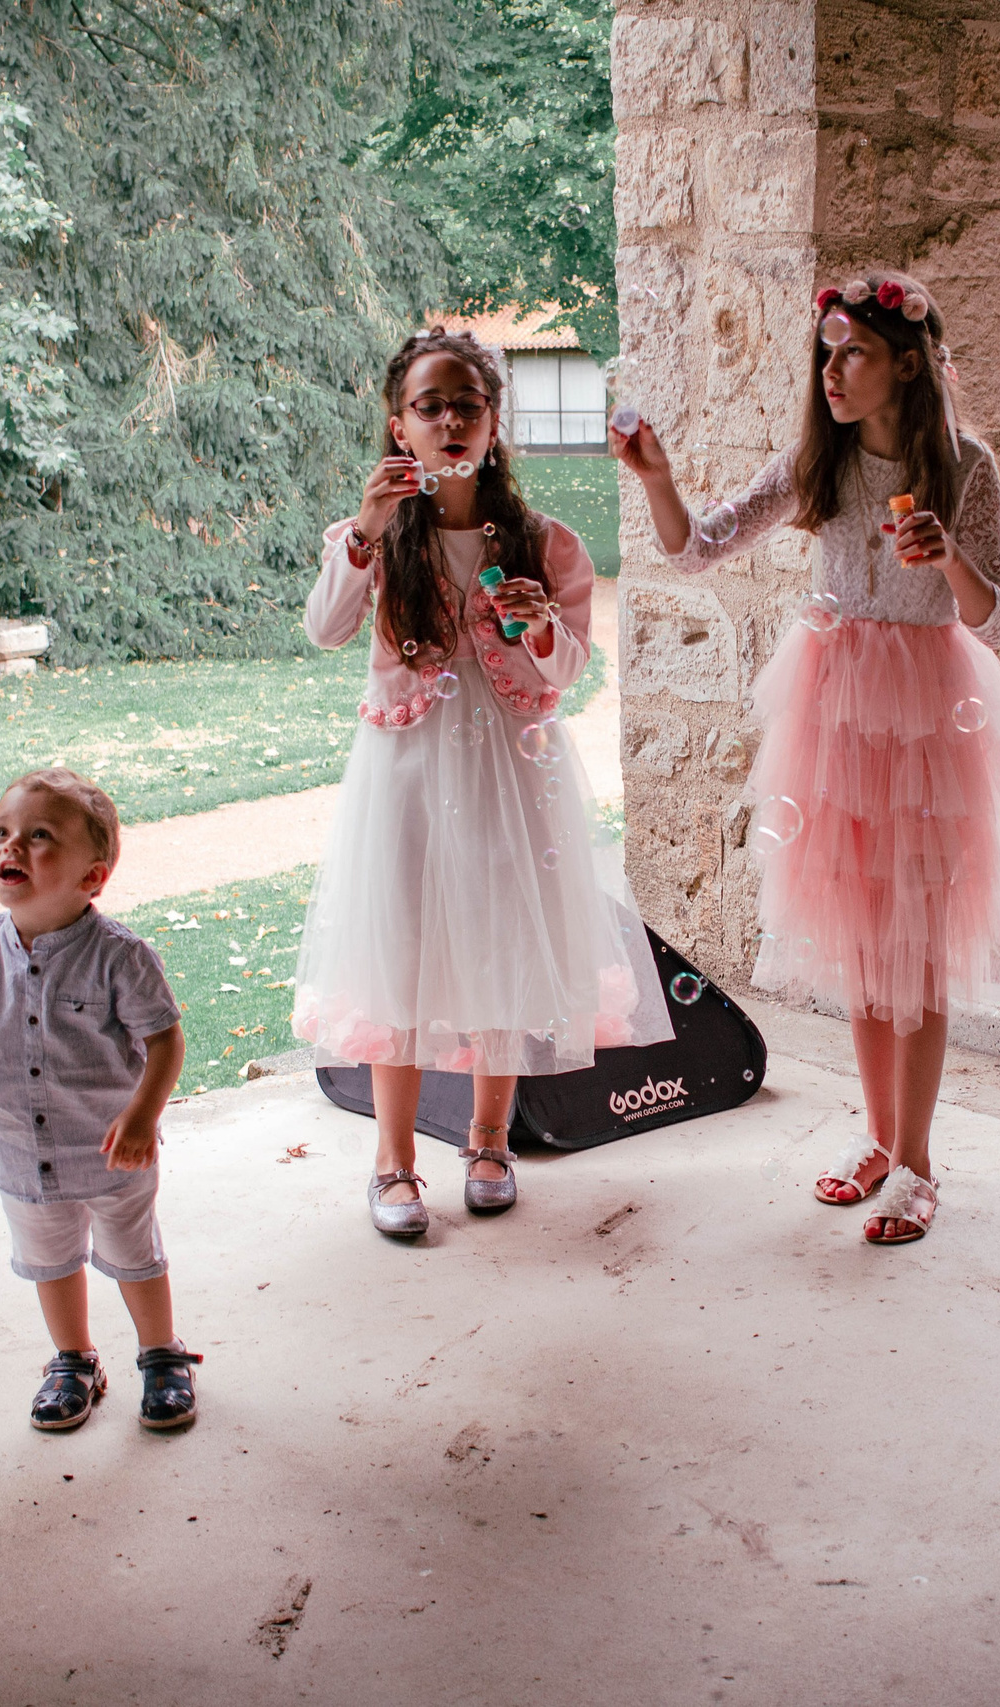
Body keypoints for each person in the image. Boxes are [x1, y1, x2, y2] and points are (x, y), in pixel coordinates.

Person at [611, 272, 1000, 1245]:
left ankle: (917, 1165)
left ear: (908, 365)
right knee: (863, 942)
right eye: (826, 355)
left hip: (925, 724)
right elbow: (696, 547)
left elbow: (993, 620)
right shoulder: (819, 465)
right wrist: (658, 479)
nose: (832, 372)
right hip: (835, 717)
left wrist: (945, 559)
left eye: (854, 355)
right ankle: (879, 1138)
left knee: (914, 951)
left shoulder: (967, 468)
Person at [293, 328, 671, 1237]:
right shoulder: (372, 537)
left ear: (495, 422)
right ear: (399, 427)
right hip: (409, 772)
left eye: (468, 403)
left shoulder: (545, 542)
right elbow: (324, 630)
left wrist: (541, 629)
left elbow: (562, 672)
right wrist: (366, 533)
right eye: (430, 406)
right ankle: (392, 1162)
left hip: (510, 769)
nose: (450, 418)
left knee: (504, 933)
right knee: (404, 947)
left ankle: (491, 1137)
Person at [0, 769, 198, 1430]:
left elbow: (165, 1042)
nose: (10, 847)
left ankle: (161, 1355)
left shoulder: (119, 956)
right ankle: (73, 1359)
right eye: (1, 832)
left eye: (39, 836)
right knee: (50, 1261)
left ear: (93, 876)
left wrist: (142, 1114)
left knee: (135, 1254)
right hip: (23, 1151)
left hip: (114, 1149)